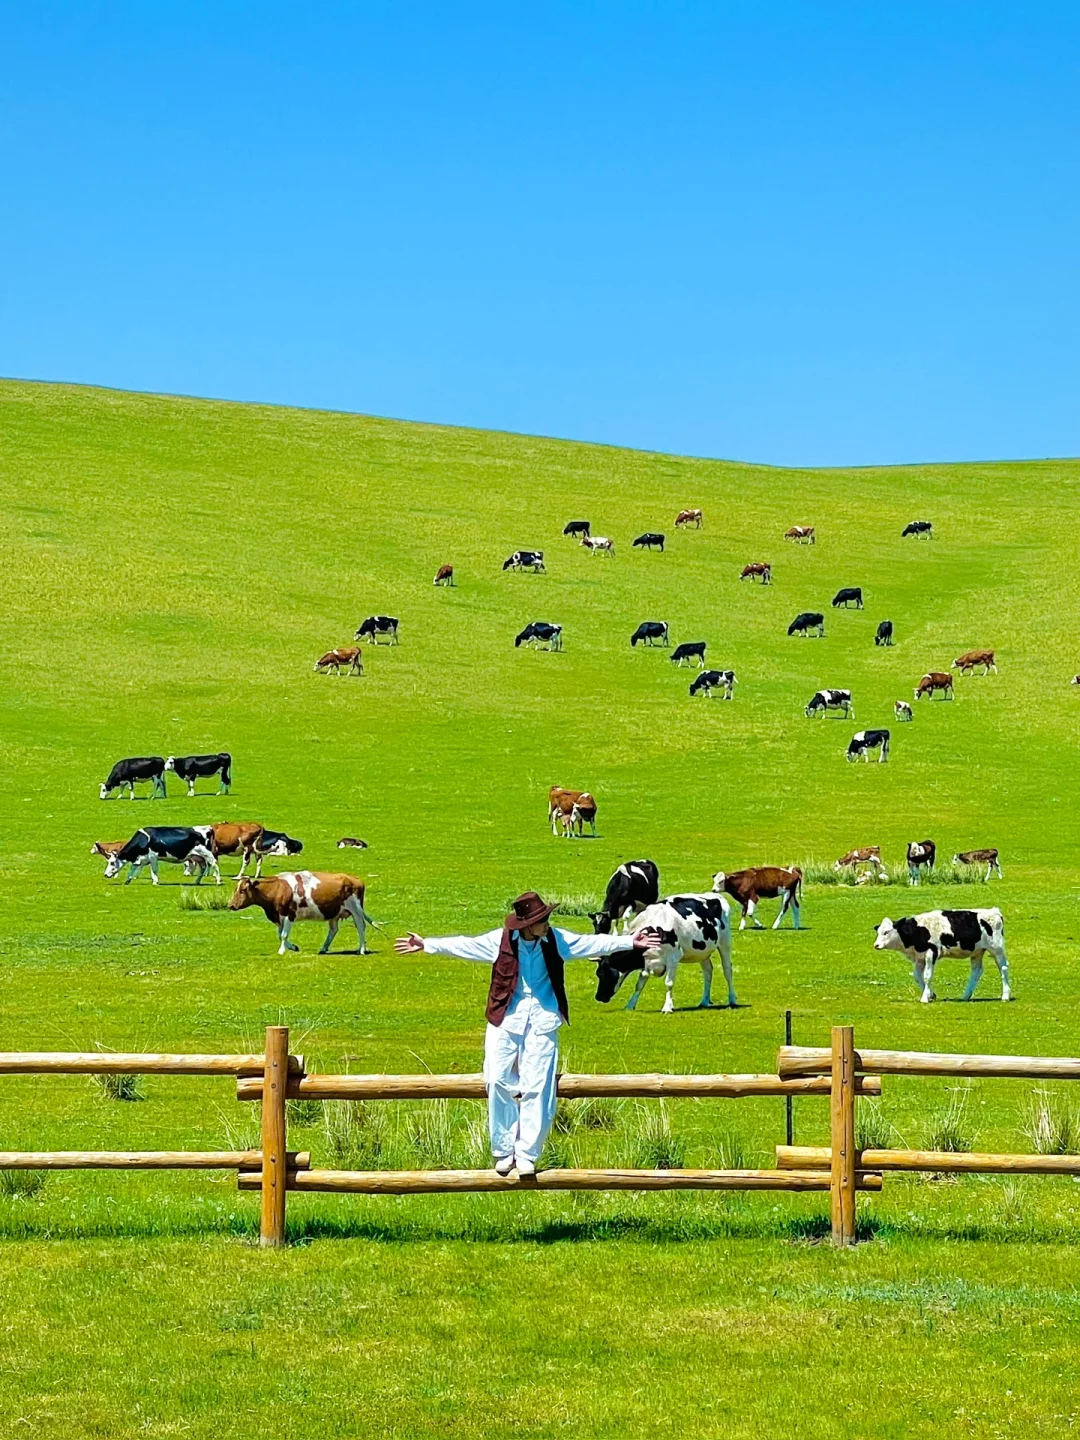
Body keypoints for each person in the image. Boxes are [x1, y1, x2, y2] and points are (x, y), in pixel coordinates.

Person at [395, 891, 659, 1177]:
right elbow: (466, 945)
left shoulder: (555, 939)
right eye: (541, 919)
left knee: (538, 1088)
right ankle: (503, 1150)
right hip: (505, 1019)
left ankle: (527, 1153)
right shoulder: (501, 940)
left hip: (543, 1020)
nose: (546, 922)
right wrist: (427, 945)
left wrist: (630, 942)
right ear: (526, 925)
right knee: (496, 1080)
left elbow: (588, 943)